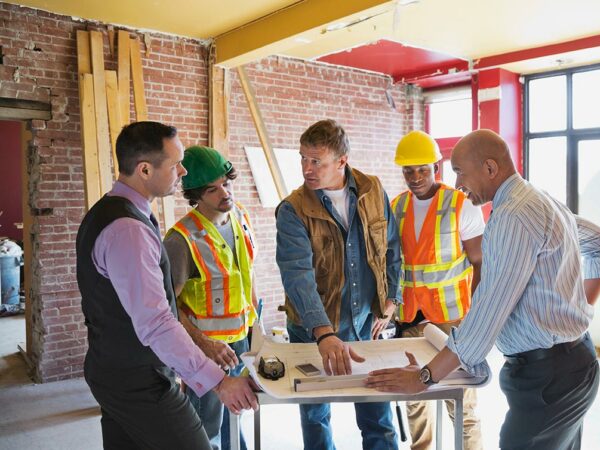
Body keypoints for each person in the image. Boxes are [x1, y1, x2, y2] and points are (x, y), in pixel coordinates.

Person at [367, 129, 600, 450]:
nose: (457, 183)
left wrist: (425, 377)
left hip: (548, 377)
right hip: (574, 362)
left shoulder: (511, 217)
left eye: (460, 172)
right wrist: (579, 311)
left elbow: (489, 310)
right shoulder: (539, 200)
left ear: (489, 169)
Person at [76, 122, 259, 450]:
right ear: (144, 169)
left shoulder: (111, 212)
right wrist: (217, 382)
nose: (183, 171)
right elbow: (157, 322)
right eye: (175, 164)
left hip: (114, 368)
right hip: (137, 380)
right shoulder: (128, 230)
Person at [275, 119, 401, 450]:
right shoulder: (293, 209)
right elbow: (297, 275)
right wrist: (324, 333)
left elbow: (391, 247)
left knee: (379, 419)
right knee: (316, 419)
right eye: (303, 158)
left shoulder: (373, 190)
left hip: (365, 326)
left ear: (341, 161)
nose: (306, 168)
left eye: (316, 160)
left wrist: (392, 298)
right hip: (312, 331)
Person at [164, 145, 262, 450]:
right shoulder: (180, 240)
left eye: (226, 183)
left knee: (235, 411)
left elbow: (248, 275)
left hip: (241, 341)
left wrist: (257, 327)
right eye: (213, 189)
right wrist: (204, 344)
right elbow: (167, 308)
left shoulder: (240, 217)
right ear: (196, 194)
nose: (224, 193)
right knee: (206, 427)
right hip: (206, 350)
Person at [391, 130, 484, 450]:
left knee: (460, 401)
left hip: (452, 320)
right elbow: (393, 264)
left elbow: (480, 263)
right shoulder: (396, 207)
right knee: (415, 399)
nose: (415, 177)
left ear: (437, 168)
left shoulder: (461, 205)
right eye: (408, 170)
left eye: (422, 169)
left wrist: (479, 318)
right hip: (410, 320)